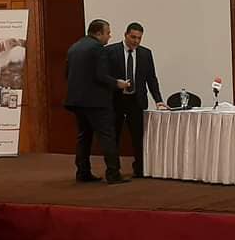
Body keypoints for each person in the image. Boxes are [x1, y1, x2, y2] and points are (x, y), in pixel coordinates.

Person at [64, 19, 130, 184]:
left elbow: (67, 74)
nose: (109, 36)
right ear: (99, 33)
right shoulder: (98, 49)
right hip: (96, 102)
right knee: (108, 136)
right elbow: (101, 75)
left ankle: (83, 172)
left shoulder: (74, 47)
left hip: (77, 101)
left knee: (84, 136)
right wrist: (118, 83)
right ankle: (113, 173)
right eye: (108, 33)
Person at [105, 22, 166, 178]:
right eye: (133, 37)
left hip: (136, 101)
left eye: (139, 38)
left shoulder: (146, 53)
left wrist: (158, 100)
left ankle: (139, 168)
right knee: (114, 136)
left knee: (138, 137)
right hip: (116, 100)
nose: (136, 41)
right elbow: (105, 77)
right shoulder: (110, 51)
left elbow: (151, 79)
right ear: (125, 35)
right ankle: (113, 170)